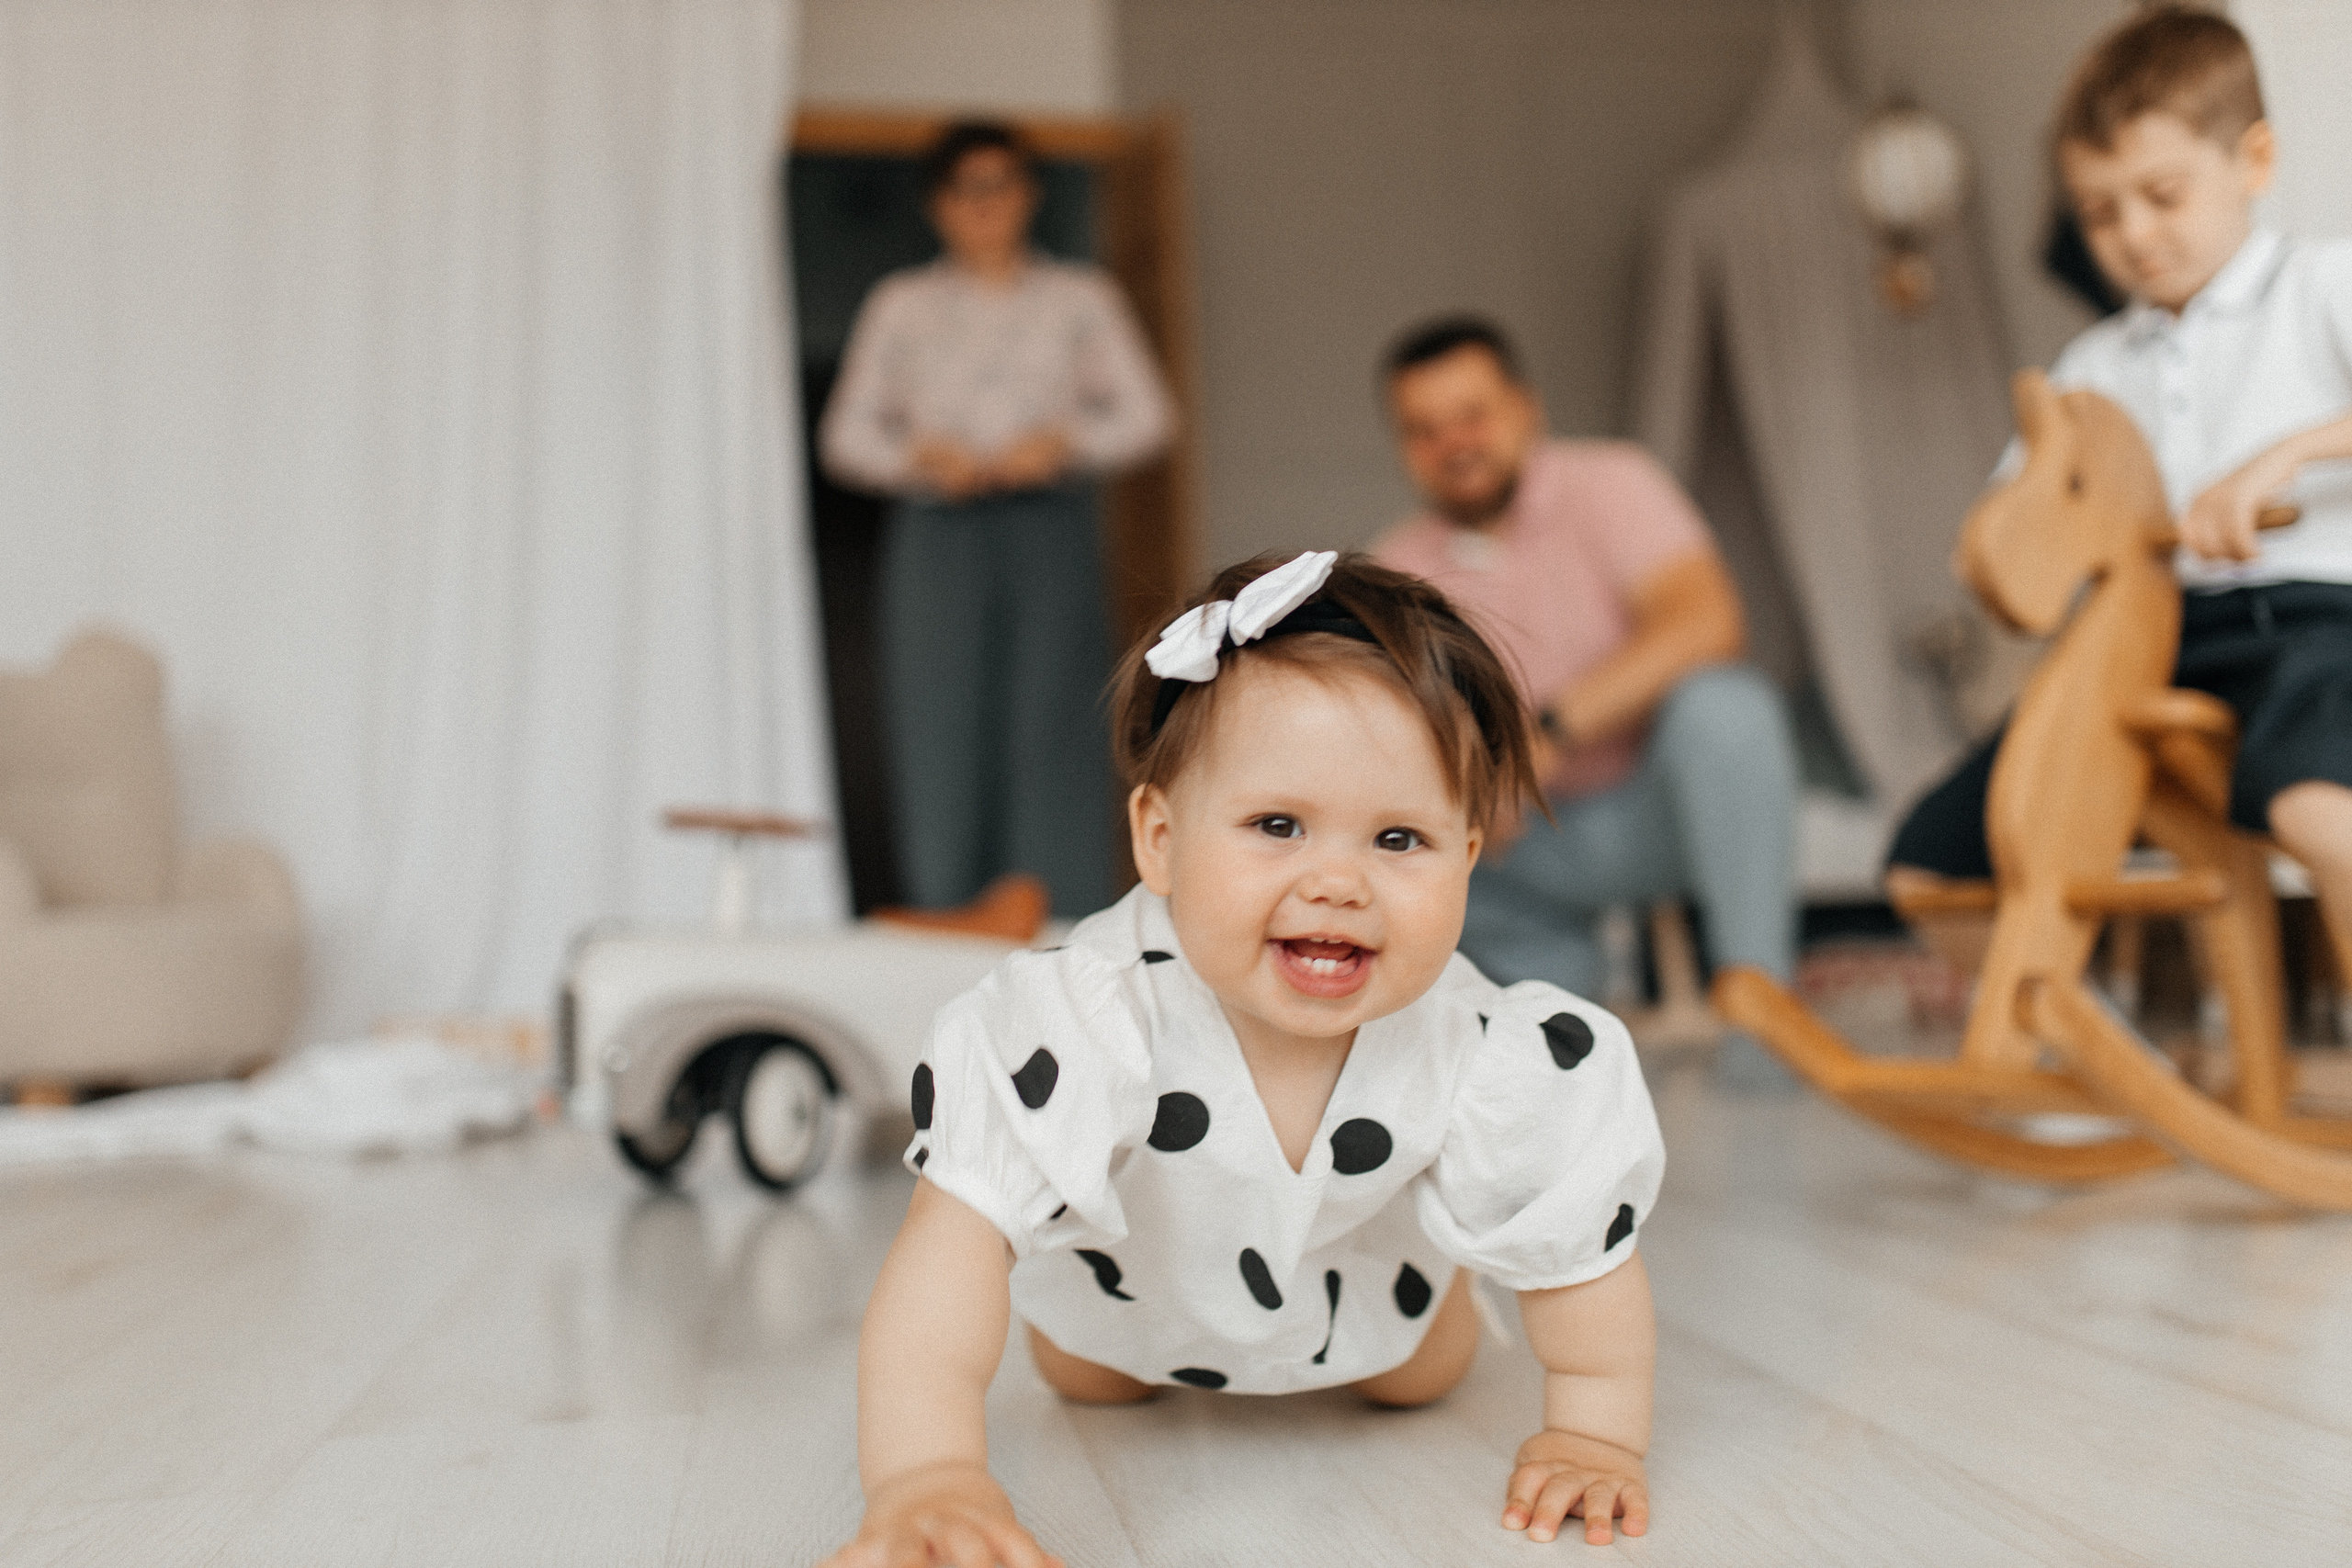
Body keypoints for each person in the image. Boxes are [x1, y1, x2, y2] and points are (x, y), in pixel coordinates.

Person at [822, 553, 1665, 1568]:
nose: (1338, 882)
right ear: (1160, 838)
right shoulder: (1088, 1015)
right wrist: (925, 1471)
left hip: (1369, 1296)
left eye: (1400, 839)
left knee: (1422, 1372)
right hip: (1130, 1300)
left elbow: (1576, 1249)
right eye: (1277, 826)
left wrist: (1592, 1432)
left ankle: (1425, 1306)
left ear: (1469, 854)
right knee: (1087, 1374)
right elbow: (953, 1241)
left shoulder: (1476, 1043)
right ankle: (1125, 1343)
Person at [1886, 6, 2352, 997]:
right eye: (2099, 212)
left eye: (2161, 196)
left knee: (2326, 815)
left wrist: (2282, 459)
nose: (2133, 234)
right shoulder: (2093, 366)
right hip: (2150, 645)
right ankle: (2089, 1059)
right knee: (1933, 865)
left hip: (2315, 626)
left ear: (2254, 161)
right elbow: (2021, 509)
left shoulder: (2321, 286)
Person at [1370, 317, 1798, 1082]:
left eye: (1471, 416)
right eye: (1424, 430)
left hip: (1653, 807)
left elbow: (1707, 621)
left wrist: (1549, 730)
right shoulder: (1395, 568)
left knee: (1728, 709)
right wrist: (1468, 781)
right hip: (1522, 847)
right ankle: (1554, 1018)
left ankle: (1763, 1021)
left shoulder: (1613, 483)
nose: (1453, 444)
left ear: (1526, 408)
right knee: (1400, 826)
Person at [820, 120, 1174, 918]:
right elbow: (845, 437)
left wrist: (1065, 441)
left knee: (1056, 719)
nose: (984, 204)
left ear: (1029, 194)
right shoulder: (902, 305)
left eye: (1000, 184)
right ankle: (949, 911)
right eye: (964, 189)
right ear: (936, 205)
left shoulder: (1080, 298)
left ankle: (1059, 917)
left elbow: (1149, 416)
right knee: (937, 717)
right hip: (937, 529)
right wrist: (917, 457)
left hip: (1048, 523)